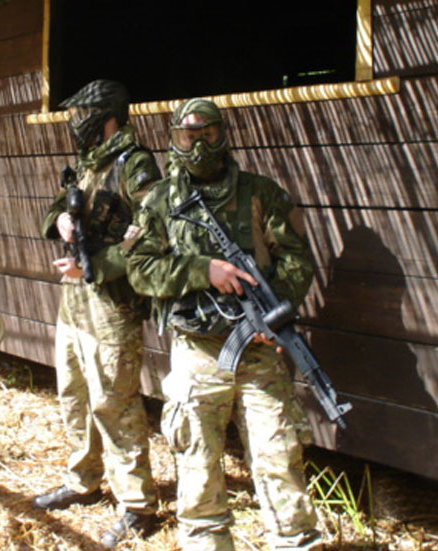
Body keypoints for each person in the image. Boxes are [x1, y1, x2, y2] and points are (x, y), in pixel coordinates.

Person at [122, 98, 323, 551]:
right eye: (187, 136)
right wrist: (202, 271)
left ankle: (293, 540)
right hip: (196, 350)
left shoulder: (261, 192)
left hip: (258, 349)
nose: (197, 146)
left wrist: (272, 315)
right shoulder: (158, 201)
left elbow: (296, 260)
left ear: (223, 134)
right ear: (175, 138)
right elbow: (140, 270)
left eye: (206, 134)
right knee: (198, 470)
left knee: (279, 458)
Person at [36, 79, 161, 549]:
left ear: (106, 114)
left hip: (112, 308)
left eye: (82, 112)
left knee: (115, 403)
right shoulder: (90, 165)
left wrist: (95, 268)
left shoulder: (135, 164)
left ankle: (136, 505)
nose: (75, 121)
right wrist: (60, 221)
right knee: (73, 393)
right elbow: (53, 210)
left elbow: (153, 239)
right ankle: (84, 480)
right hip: (75, 307)